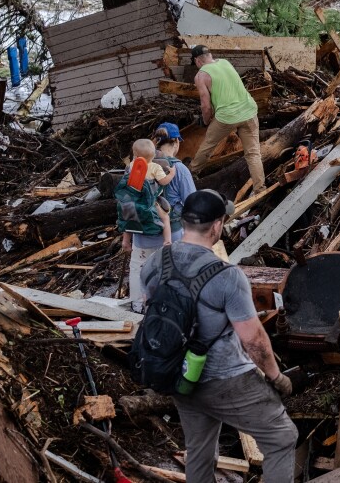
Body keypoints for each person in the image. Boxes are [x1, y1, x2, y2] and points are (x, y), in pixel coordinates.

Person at [141, 190, 298, 483]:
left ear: (183, 220)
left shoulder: (154, 263)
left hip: (179, 375)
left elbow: (151, 311)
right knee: (282, 438)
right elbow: (253, 340)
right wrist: (276, 377)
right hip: (225, 379)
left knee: (199, 450)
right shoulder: (227, 276)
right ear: (216, 226)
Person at [189, 45, 265, 190]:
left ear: (197, 61)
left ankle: (191, 172)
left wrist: (205, 122)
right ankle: (260, 189)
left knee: (208, 145)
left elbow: (206, 106)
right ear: (210, 55)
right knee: (253, 153)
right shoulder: (225, 62)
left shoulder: (200, 76)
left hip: (227, 117)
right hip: (249, 110)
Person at [121, 138, 174, 312]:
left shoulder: (130, 171)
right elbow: (165, 182)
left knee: (136, 270)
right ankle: (159, 305)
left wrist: (126, 240)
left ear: (135, 156)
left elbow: (127, 212)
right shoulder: (157, 168)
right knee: (161, 271)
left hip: (140, 238)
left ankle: (137, 304)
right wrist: (171, 173)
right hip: (158, 232)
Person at [152, 122, 197, 241]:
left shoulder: (143, 164)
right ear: (176, 141)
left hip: (141, 237)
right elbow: (192, 204)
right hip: (171, 234)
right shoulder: (179, 169)